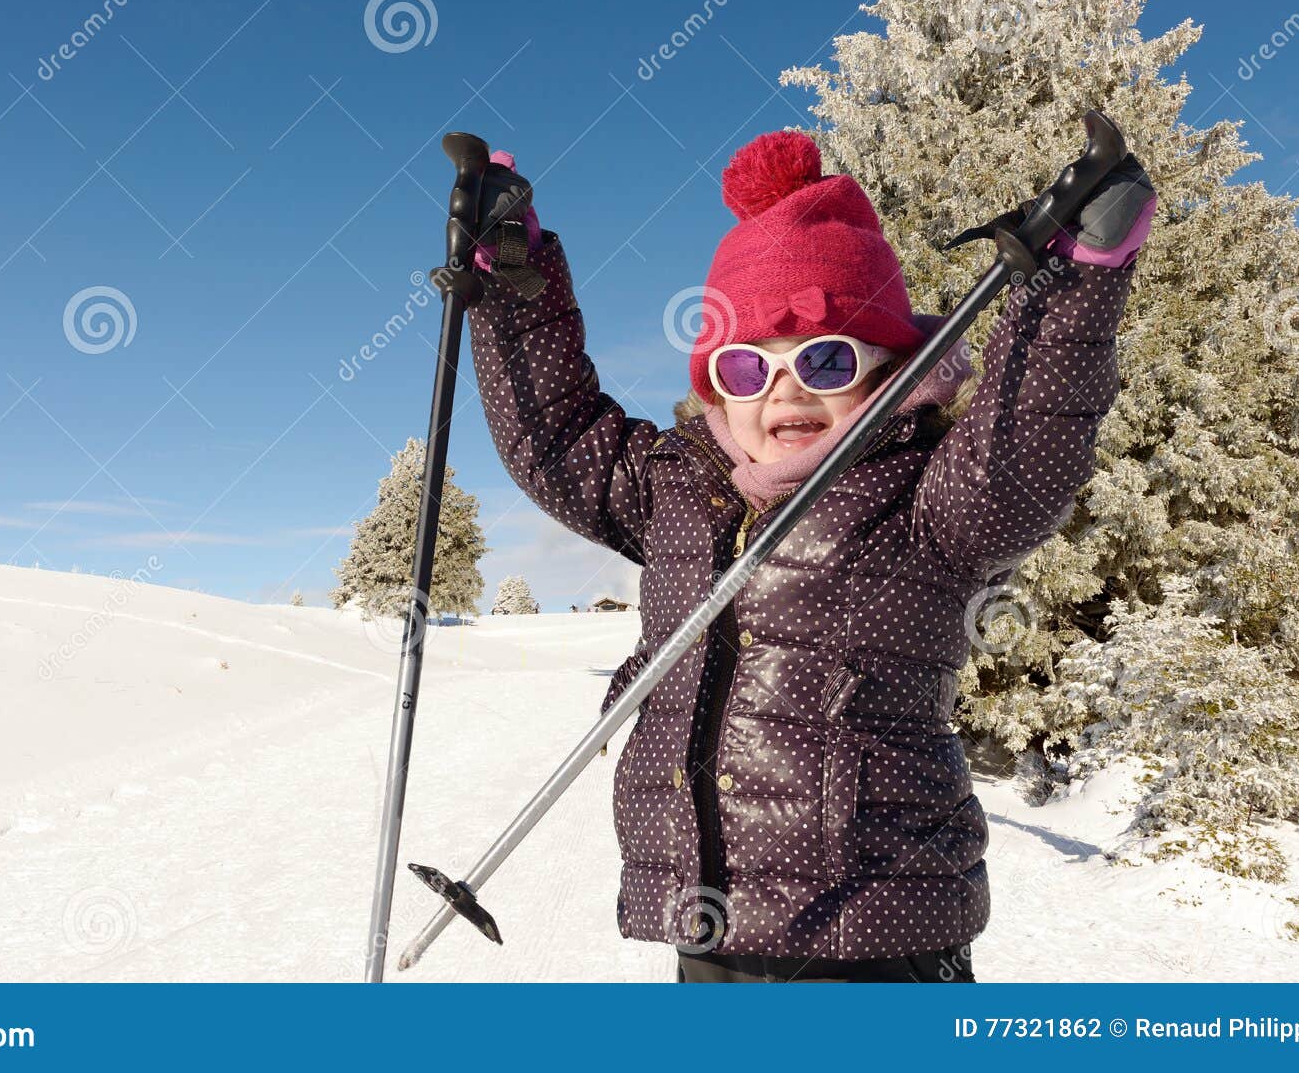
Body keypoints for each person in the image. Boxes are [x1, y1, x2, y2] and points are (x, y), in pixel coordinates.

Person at [446, 130, 1155, 983]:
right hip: (711, 929)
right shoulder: (679, 488)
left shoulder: (930, 495)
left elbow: (1029, 440)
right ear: (717, 387)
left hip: (873, 938)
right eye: (747, 369)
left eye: (825, 358)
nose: (784, 389)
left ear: (892, 367)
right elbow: (556, 437)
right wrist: (512, 289)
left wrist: (1077, 278)